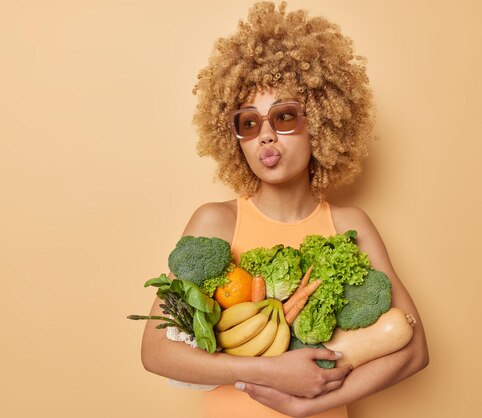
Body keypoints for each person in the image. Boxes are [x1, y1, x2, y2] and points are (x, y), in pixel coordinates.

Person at [139, 2, 429, 417]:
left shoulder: (350, 225)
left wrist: (311, 402)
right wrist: (274, 373)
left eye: (285, 116)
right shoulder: (216, 222)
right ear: (235, 136)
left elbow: (415, 349)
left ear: (323, 122)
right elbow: (155, 351)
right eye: (250, 123)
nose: (267, 137)